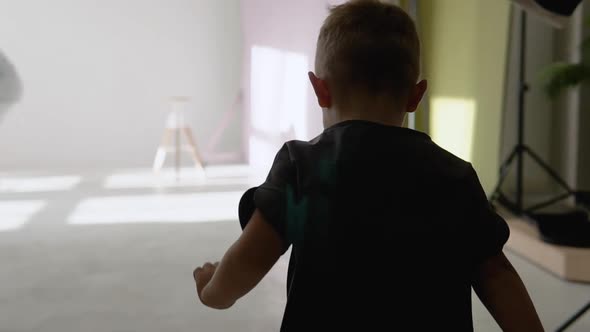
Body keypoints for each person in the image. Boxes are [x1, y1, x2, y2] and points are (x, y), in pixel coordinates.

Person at [193, 1, 544, 331]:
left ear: (320, 90)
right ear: (414, 96)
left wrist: (213, 290)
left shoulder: (302, 166)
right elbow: (496, 273)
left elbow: (250, 260)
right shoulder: (454, 174)